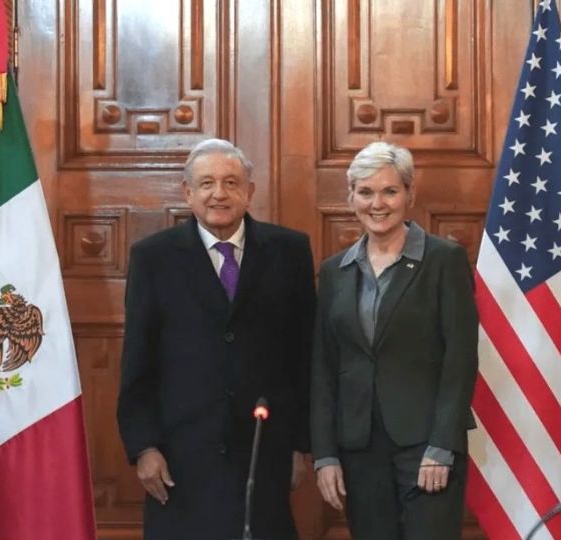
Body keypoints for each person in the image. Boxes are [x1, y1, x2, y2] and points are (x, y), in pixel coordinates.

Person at [117, 138, 316, 540]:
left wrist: (301, 443)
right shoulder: (153, 257)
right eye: (206, 183)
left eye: (231, 182)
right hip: (181, 455)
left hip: (263, 450)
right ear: (188, 192)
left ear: (250, 192)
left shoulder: (289, 250)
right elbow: (138, 360)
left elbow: (305, 354)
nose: (219, 194)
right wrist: (144, 447)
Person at [310, 141, 479, 540]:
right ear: (351, 197)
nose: (377, 203)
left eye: (389, 191)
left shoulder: (444, 261)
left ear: (409, 194)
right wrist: (325, 455)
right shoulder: (334, 271)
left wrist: (442, 445)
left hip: (426, 446)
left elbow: (460, 359)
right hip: (359, 448)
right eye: (365, 192)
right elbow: (323, 367)